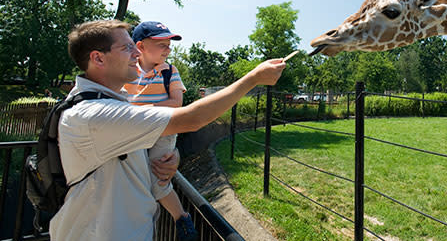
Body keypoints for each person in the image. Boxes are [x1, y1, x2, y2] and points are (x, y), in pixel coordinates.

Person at [50, 20, 285, 241]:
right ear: (98, 58)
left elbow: (125, 154)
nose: (135, 54)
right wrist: (254, 78)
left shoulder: (107, 103)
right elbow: (192, 119)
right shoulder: (96, 114)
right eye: (127, 48)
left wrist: (173, 157)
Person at [123, 21, 196, 240]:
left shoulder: (170, 71)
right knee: (132, 176)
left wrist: (141, 110)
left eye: (168, 44)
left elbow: (176, 102)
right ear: (141, 47)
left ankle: (181, 217)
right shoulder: (126, 71)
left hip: (163, 130)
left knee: (158, 179)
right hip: (135, 133)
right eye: (162, 44)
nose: (168, 49)